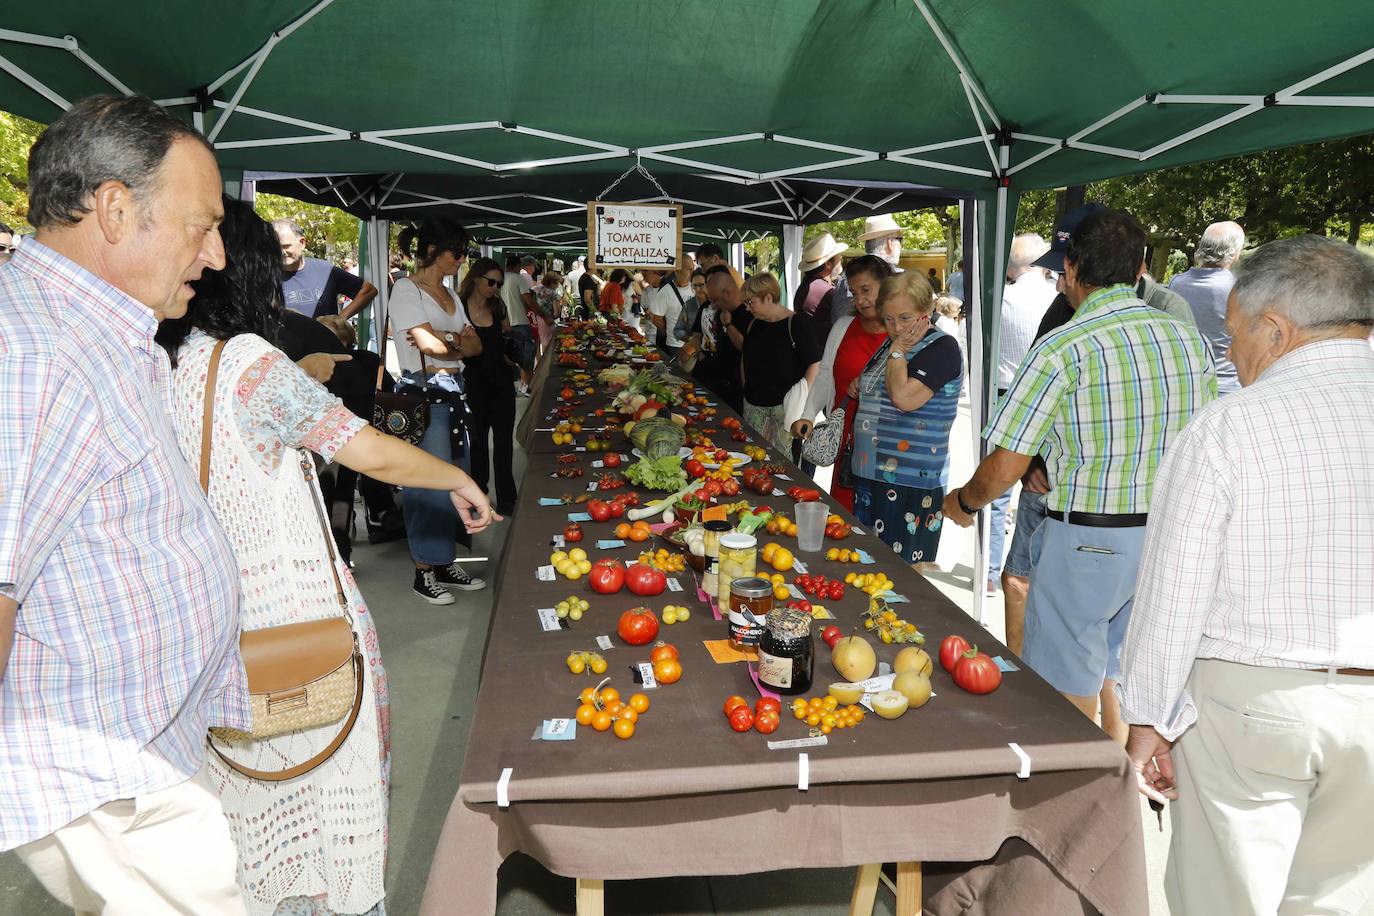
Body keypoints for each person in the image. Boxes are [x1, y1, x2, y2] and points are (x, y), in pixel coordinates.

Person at [156, 199, 493, 916]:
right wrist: (459, 478)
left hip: (214, 623)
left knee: (250, 815)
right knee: (322, 803)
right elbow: (367, 449)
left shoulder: (174, 360)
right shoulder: (248, 360)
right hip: (290, 617)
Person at [1, 94, 246, 914]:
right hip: (98, 773)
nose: (214, 255)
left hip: (134, 754)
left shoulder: (89, 333)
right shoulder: (38, 355)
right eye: (199, 225)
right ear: (113, 209)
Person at [1118, 235, 1374, 915]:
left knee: (1224, 900)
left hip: (1251, 703)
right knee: (1343, 902)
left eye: (1233, 336)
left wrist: (1149, 720)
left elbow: (1175, 594)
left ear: (1276, 329)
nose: (1230, 353)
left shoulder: (1229, 427)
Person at [942, 208, 1215, 743]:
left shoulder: (1065, 345)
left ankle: (1072, 792)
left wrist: (965, 503)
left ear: (1070, 269)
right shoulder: (1186, 339)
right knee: (1125, 671)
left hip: (1090, 539)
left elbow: (1005, 465)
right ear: (1139, 268)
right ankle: (1118, 776)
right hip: (1169, 537)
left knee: (1066, 686)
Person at [391, 218, 489, 603]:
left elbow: (476, 347)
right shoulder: (405, 289)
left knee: (455, 478)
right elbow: (427, 345)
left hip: (454, 392)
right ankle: (423, 570)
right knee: (426, 483)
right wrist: (455, 342)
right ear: (433, 250)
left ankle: (444, 559)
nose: (460, 259)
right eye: (457, 251)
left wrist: (450, 341)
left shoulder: (450, 293)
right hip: (424, 394)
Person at [848, 271, 962, 566]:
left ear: (927, 313)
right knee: (868, 565)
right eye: (888, 319)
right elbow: (881, 387)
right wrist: (864, 384)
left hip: (910, 482)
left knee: (902, 575)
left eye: (905, 318)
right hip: (873, 472)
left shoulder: (942, 347)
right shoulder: (894, 343)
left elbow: (904, 398)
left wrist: (897, 353)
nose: (896, 327)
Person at [791, 255, 895, 511]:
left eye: (867, 290)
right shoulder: (843, 326)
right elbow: (826, 375)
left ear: (888, 286)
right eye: (854, 292)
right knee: (845, 511)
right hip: (846, 438)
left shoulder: (901, 335)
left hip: (885, 446)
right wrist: (807, 415)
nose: (860, 300)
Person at [986, 233, 1057, 594]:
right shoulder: (1055, 299)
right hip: (1045, 403)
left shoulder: (1001, 300)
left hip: (1005, 397)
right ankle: (1021, 572)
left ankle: (990, 570)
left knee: (998, 495)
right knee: (1036, 495)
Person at [734, 272, 821, 453]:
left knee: (783, 465)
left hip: (785, 410)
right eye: (745, 303)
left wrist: (801, 395)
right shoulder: (753, 324)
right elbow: (746, 356)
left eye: (751, 302)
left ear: (768, 297)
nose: (748, 308)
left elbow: (815, 363)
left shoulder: (797, 323)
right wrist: (745, 387)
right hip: (753, 406)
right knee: (752, 457)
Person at [460, 257, 519, 515]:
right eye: (491, 282)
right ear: (476, 278)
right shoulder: (458, 307)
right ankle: (478, 494)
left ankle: (507, 498)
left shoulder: (498, 307)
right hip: (473, 383)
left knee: (504, 443)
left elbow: (507, 335)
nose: (495, 288)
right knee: (478, 443)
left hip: (501, 382)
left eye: (499, 284)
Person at [1168, 220, 1245, 394]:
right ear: (1234, 253)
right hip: (1224, 383)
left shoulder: (1176, 283)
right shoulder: (1237, 289)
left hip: (1186, 380)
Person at [273, 219, 377, 321]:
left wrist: (340, 319)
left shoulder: (325, 270)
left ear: (302, 243)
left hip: (324, 338)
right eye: (276, 247)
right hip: (282, 338)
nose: (281, 252)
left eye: (286, 246)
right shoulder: (266, 275)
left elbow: (368, 290)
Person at [692, 265, 746, 411]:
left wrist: (728, 325)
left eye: (715, 299)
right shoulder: (719, 311)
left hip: (736, 387)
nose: (713, 304)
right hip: (717, 379)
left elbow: (745, 346)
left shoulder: (746, 312)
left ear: (728, 293)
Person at [832, 214, 904, 321]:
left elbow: (838, 315)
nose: (859, 300)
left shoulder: (848, 275)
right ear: (890, 243)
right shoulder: (900, 277)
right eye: (900, 240)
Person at [794, 232, 847, 340]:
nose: (841, 257)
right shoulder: (826, 292)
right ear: (828, 264)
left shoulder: (808, 285)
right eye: (837, 256)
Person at [499, 253, 537, 396]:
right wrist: (542, 315)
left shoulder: (500, 279)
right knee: (526, 358)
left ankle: (514, 388)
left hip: (504, 323)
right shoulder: (518, 278)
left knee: (509, 358)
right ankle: (525, 386)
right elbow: (529, 301)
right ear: (517, 266)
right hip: (520, 322)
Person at [648, 252, 695, 356]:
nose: (692, 272)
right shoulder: (665, 292)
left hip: (695, 345)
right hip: (675, 346)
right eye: (689, 269)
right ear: (677, 269)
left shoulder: (696, 287)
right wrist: (669, 333)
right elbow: (656, 319)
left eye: (693, 268)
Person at [674, 268, 710, 367]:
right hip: (693, 353)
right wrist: (691, 339)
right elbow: (678, 330)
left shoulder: (715, 304)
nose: (698, 289)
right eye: (695, 285)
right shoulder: (689, 305)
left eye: (701, 285)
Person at [532, 269, 563, 353]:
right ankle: (545, 364)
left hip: (535, 319)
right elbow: (557, 312)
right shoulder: (553, 294)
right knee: (547, 345)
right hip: (547, 320)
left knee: (539, 342)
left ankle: (540, 362)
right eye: (557, 283)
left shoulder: (536, 289)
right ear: (552, 283)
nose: (557, 286)